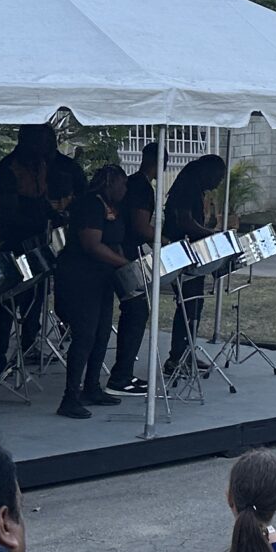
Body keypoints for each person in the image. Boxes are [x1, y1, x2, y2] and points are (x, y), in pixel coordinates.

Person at [0, 126, 83, 378]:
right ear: (28, 142)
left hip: (37, 237)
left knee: (38, 293)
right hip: (14, 239)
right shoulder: (6, 170)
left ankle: (29, 345)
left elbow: (41, 201)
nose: (49, 148)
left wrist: (58, 216)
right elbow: (11, 213)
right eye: (45, 143)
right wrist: (40, 221)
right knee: (10, 298)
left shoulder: (39, 165)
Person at [51, 166, 128, 419]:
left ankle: (92, 387)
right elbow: (92, 245)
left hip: (102, 279)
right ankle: (69, 398)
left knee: (102, 334)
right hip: (80, 279)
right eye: (122, 185)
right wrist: (123, 264)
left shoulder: (110, 206)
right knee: (84, 336)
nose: (125, 191)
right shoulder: (89, 205)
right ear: (109, 184)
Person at [160, 153, 226, 383]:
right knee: (189, 304)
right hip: (181, 254)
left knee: (194, 303)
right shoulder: (187, 187)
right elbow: (185, 222)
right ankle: (177, 358)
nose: (219, 183)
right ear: (207, 172)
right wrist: (212, 234)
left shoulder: (193, 187)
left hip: (189, 253)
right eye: (218, 177)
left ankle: (185, 353)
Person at [109, 147, 162, 394]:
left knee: (133, 312)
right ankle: (121, 378)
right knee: (136, 311)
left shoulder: (134, 184)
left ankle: (121, 375)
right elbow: (141, 227)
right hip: (123, 256)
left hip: (121, 253)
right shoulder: (141, 187)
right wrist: (165, 239)